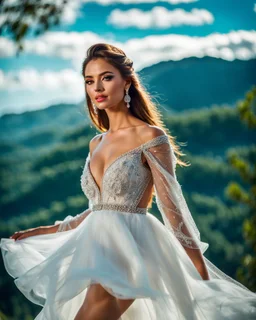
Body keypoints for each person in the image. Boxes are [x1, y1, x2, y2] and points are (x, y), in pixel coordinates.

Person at [1, 43, 256, 320]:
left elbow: (173, 208)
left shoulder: (150, 137)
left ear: (127, 82)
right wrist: (48, 229)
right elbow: (101, 208)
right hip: (95, 250)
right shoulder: (95, 142)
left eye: (106, 77)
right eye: (90, 81)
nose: (97, 87)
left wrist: (202, 275)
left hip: (132, 249)